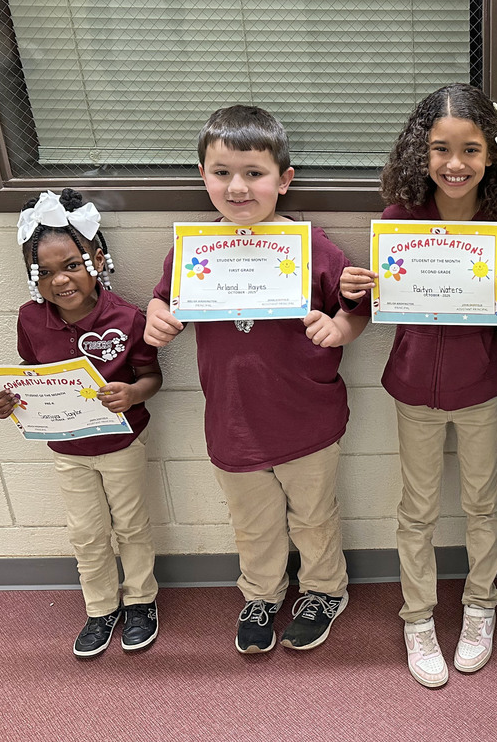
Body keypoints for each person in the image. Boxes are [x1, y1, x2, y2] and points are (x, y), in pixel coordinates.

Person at [144, 105, 368, 655]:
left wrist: (340, 327)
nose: (237, 187)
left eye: (253, 173)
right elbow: (162, 298)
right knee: (253, 523)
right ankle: (262, 592)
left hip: (306, 417)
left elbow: (357, 308)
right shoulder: (195, 250)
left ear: (284, 181)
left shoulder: (314, 246)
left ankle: (323, 590)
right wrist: (155, 316)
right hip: (233, 420)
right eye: (221, 173)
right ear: (203, 176)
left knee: (315, 518)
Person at [340, 83, 497, 688]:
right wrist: (358, 291)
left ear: (491, 156)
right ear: (418, 154)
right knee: (416, 510)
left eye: (470, 150)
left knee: (482, 504)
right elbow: (381, 302)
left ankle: (481, 606)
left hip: (481, 388)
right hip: (413, 387)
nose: (455, 164)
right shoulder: (398, 222)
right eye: (440, 149)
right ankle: (416, 616)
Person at [0, 189, 163, 657]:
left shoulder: (127, 316)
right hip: (67, 450)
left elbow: (151, 376)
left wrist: (132, 393)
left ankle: (141, 600)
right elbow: (28, 375)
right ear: (32, 278)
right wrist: (7, 401)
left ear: (97, 260)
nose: (60, 280)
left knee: (131, 526)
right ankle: (101, 606)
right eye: (44, 273)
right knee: (85, 532)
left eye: (71, 265)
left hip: (122, 443)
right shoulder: (30, 319)